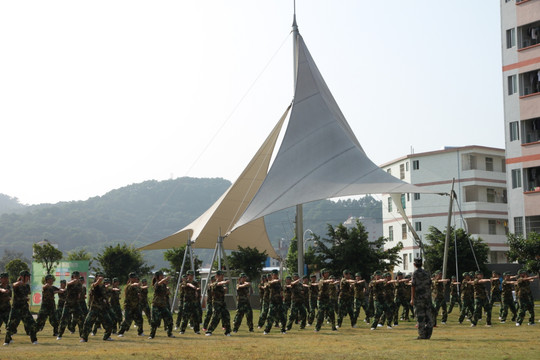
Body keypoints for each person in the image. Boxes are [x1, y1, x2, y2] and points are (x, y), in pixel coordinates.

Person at [3, 270, 38, 345]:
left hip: (24, 308)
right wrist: (19, 283)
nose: (28, 278)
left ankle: (34, 340)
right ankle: (6, 341)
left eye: (29, 276)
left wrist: (26, 298)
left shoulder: (27, 286)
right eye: (27, 276)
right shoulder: (17, 284)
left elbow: (27, 293)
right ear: (22, 277)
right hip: (16, 308)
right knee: (11, 326)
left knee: (32, 324)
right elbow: (14, 285)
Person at [80, 273, 114, 342]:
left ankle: (106, 336)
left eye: (102, 276)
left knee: (109, 323)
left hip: (102, 308)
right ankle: (84, 338)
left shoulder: (103, 287)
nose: (101, 277)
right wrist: (98, 281)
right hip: (94, 308)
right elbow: (94, 286)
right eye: (99, 276)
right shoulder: (94, 285)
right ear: (96, 277)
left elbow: (106, 295)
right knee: (87, 323)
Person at [410, 258, 433, 340]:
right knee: (429, 316)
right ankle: (428, 334)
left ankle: (422, 335)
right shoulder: (426, 273)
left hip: (419, 298)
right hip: (427, 297)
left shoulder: (415, 273)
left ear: (414, 264)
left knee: (420, 317)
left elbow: (413, 286)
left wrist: (412, 298)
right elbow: (430, 284)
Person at [57, 271, 84, 340]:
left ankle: (82, 335)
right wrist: (74, 281)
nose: (77, 278)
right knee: (64, 319)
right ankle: (59, 335)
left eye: (78, 276)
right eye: (75, 276)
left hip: (76, 304)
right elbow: (68, 284)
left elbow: (79, 293)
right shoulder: (70, 283)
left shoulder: (79, 285)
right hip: (68, 304)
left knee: (81, 319)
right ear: (72, 277)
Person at [149, 271, 175, 339]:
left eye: (162, 275)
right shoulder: (156, 284)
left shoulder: (164, 285)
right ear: (157, 277)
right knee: (155, 321)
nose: (162, 276)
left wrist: (167, 291)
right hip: (156, 305)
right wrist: (165, 279)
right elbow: (159, 283)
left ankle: (170, 333)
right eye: (161, 276)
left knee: (169, 318)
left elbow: (165, 292)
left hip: (163, 305)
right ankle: (152, 335)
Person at [118, 273, 145, 337]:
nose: (135, 279)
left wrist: (139, 296)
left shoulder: (136, 287)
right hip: (129, 306)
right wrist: (136, 284)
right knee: (127, 319)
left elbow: (139, 292)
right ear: (130, 278)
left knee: (140, 319)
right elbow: (131, 286)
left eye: (136, 278)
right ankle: (121, 332)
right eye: (134, 278)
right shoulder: (128, 286)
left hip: (136, 306)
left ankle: (140, 332)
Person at [205, 270, 231, 336]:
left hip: (222, 303)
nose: (222, 277)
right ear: (217, 276)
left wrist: (225, 290)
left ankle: (227, 332)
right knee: (216, 317)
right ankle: (209, 331)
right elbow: (218, 284)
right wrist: (225, 282)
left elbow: (222, 293)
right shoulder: (214, 284)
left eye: (223, 276)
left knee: (226, 316)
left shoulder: (222, 285)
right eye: (221, 276)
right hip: (216, 303)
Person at [263, 269, 286, 334]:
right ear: (272, 275)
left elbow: (281, 291)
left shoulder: (278, 283)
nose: (276, 276)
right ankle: (266, 330)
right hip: (273, 302)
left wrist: (282, 297)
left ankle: (283, 330)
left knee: (283, 317)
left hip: (279, 302)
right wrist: (276, 280)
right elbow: (269, 283)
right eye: (274, 275)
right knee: (270, 317)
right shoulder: (270, 282)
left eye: (276, 274)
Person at [179, 270, 200, 334]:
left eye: (193, 275)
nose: (192, 276)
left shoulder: (195, 282)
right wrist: (192, 286)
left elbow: (197, 288)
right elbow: (186, 285)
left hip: (194, 301)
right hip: (187, 302)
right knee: (185, 317)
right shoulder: (185, 282)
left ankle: (197, 330)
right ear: (187, 276)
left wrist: (197, 291)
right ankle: (182, 330)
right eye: (190, 275)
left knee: (195, 316)